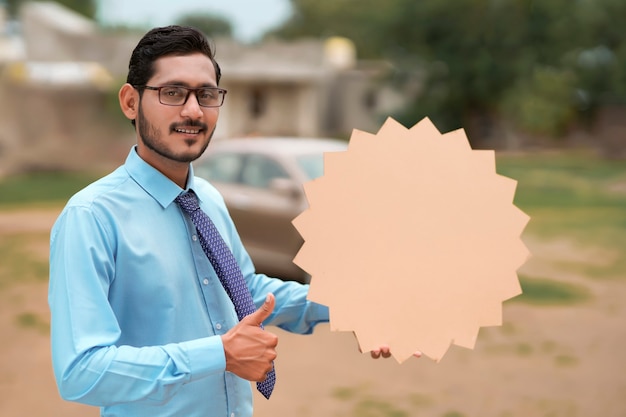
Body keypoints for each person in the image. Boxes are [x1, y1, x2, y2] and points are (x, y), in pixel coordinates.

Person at [48, 25, 405, 417]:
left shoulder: (209, 200)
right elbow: (80, 370)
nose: (193, 110)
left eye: (206, 94)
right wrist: (219, 354)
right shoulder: (91, 217)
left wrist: (352, 306)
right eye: (172, 92)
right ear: (131, 102)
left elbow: (244, 291)